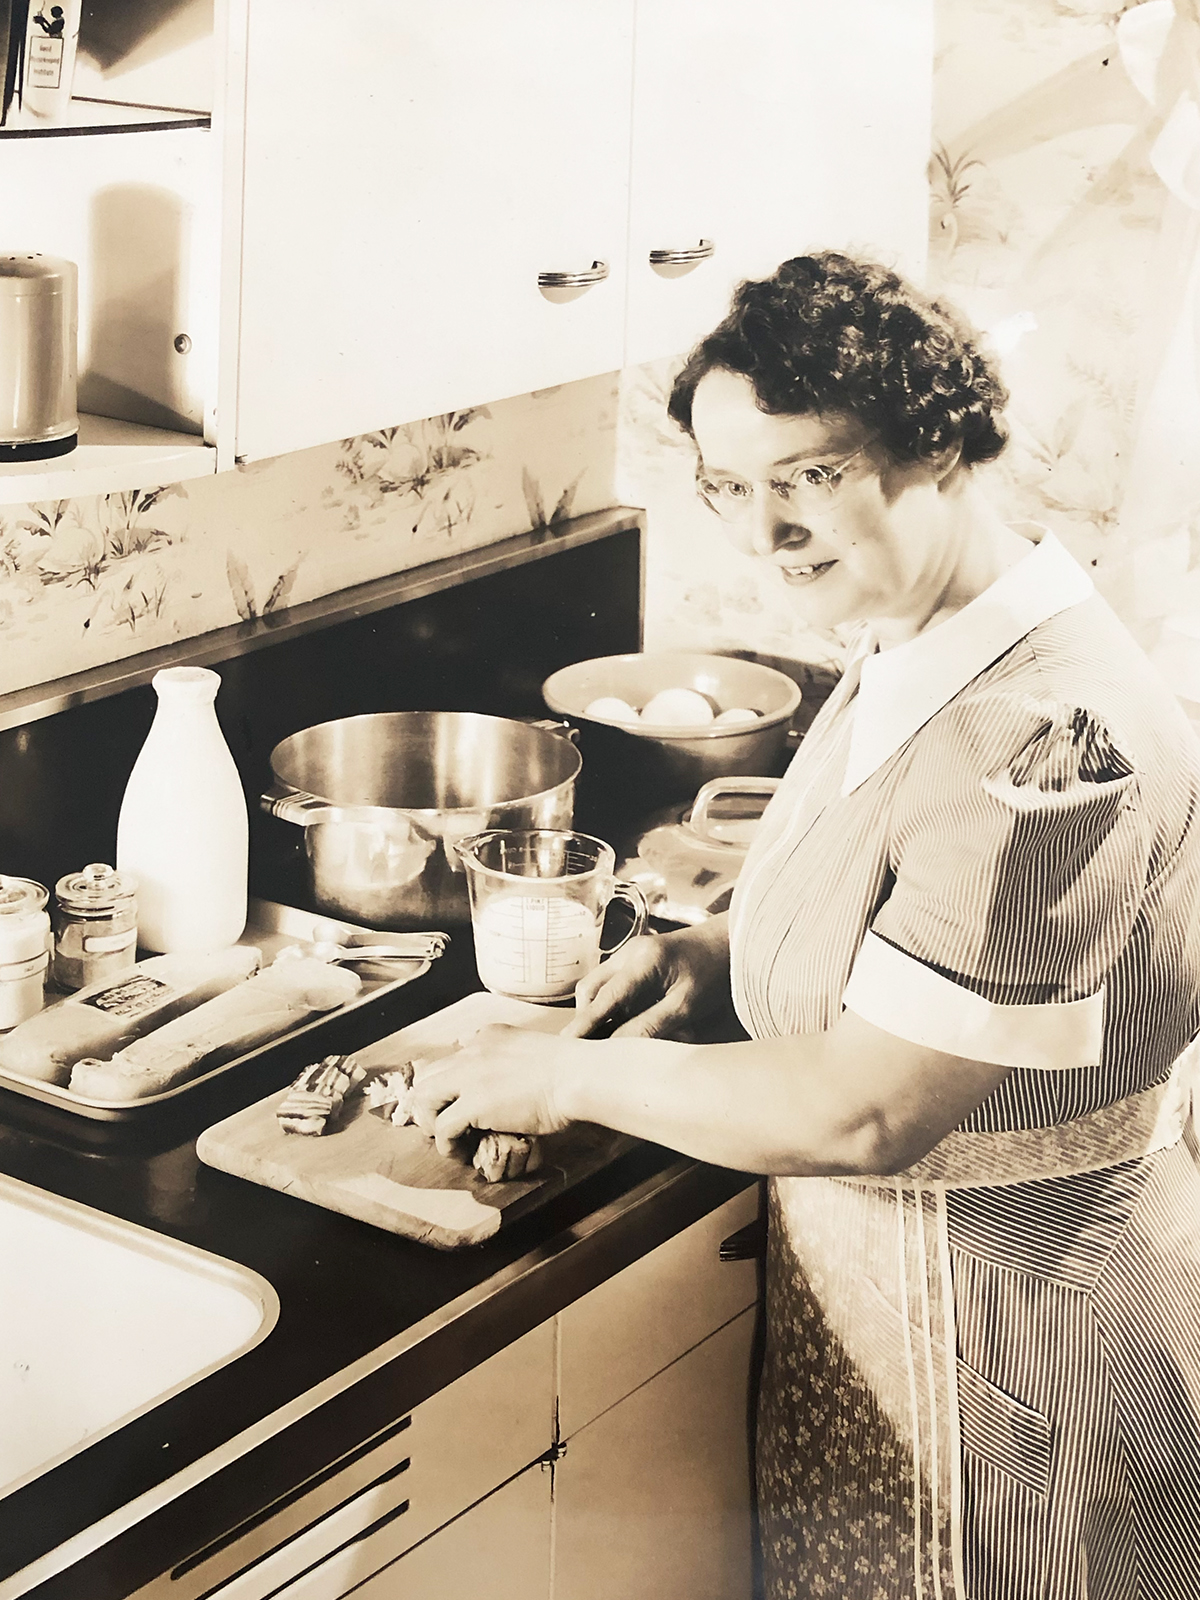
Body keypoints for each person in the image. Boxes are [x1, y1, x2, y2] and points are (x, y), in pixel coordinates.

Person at [413, 252, 1200, 1598]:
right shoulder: (920, 636)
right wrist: (707, 960)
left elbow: (869, 1109)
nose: (764, 530)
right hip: (907, 1326)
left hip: (1022, 1366)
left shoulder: (1042, 739)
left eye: (810, 476)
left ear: (936, 444)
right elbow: (896, 914)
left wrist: (564, 1074)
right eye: (730, 485)